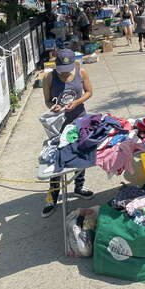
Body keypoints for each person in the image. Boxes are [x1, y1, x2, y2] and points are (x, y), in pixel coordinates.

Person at [42, 49, 94, 217]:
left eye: (67, 68)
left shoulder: (81, 72)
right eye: (61, 69)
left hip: (79, 119)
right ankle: (53, 195)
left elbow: (89, 92)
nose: (64, 73)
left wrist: (77, 102)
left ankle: (79, 186)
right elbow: (47, 100)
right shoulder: (49, 77)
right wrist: (53, 106)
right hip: (59, 124)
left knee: (81, 152)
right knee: (57, 158)